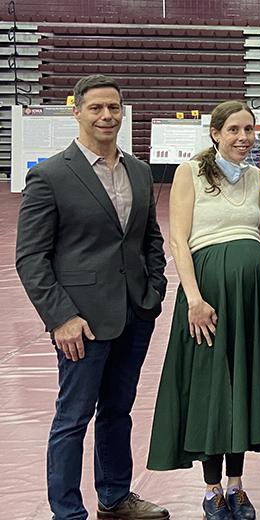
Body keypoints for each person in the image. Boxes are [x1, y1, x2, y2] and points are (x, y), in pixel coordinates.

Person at [15, 74, 169, 520]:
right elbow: (31, 258)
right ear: (77, 111)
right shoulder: (50, 176)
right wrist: (61, 317)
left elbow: (149, 239)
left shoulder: (138, 170)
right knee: (72, 418)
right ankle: (67, 511)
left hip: (134, 314)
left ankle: (115, 497)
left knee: (118, 410)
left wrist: (152, 293)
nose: (107, 116)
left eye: (114, 108)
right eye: (97, 108)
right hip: (81, 322)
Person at [147, 100, 260, 520]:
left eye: (249, 130)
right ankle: (211, 489)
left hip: (251, 298)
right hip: (207, 294)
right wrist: (194, 298)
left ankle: (236, 485)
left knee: (244, 379)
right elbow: (178, 240)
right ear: (215, 133)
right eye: (234, 130)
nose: (243, 138)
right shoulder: (189, 172)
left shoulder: (258, 177)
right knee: (213, 385)